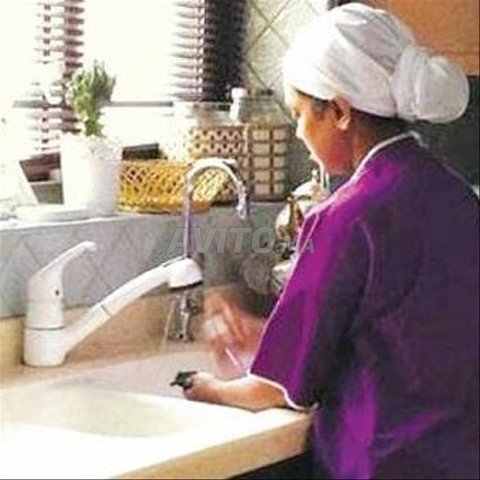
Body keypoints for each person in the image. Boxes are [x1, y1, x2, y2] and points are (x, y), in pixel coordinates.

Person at [183, 3, 480, 479]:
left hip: (379, 464)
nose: (299, 133)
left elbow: (278, 390)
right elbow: (400, 335)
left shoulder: (344, 217)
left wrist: (204, 387)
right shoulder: (458, 197)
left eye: (300, 114)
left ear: (339, 111)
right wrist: (266, 335)